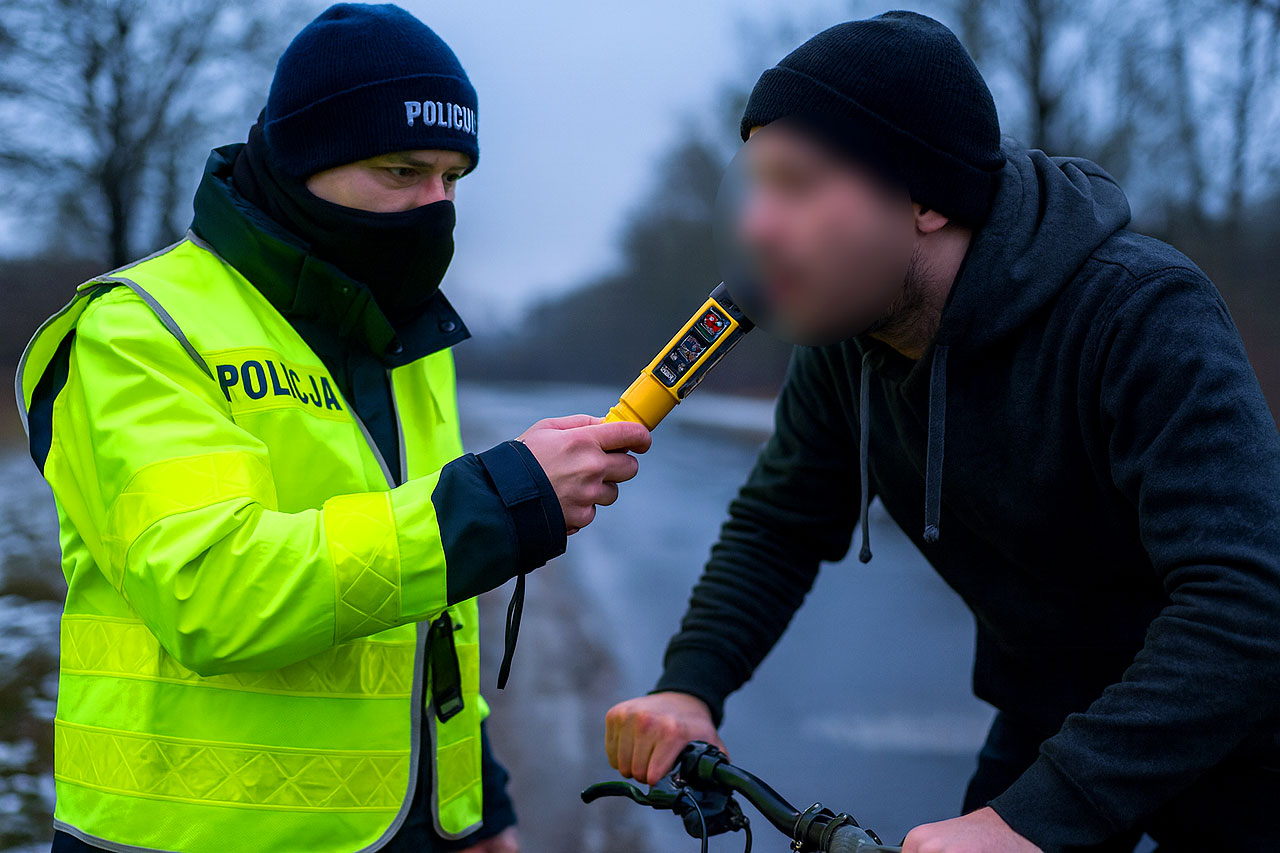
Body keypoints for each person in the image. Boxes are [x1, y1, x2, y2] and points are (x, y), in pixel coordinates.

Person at [603, 11, 1280, 853]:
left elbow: (1245, 601)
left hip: (1250, 739)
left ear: (925, 198)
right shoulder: (851, 341)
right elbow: (781, 524)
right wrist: (690, 687)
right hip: (1053, 717)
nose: (758, 226)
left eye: (800, 185)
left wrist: (1029, 819)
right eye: (758, 185)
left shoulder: (1137, 312)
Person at [15, 5, 650, 852]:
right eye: (403, 171)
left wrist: (473, 805)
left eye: (454, 178)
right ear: (303, 161)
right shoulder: (139, 329)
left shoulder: (408, 338)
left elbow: (429, 618)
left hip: (406, 827)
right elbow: (211, 594)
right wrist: (495, 503)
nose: (436, 206)